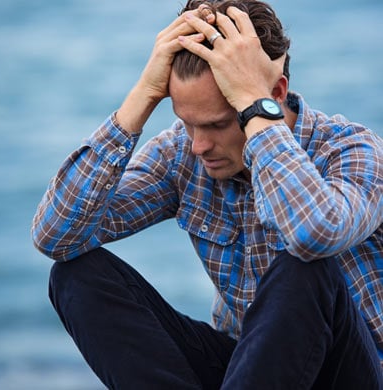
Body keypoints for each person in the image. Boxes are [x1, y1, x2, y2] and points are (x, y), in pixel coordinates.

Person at [32, 0, 383, 388]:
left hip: (351, 374)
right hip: (248, 370)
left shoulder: (354, 151)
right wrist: (143, 96)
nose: (198, 145)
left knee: (305, 264)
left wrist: (255, 111)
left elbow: (312, 233)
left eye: (215, 124)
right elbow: (56, 237)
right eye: (187, 123)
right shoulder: (183, 154)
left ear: (275, 93)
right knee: (76, 276)